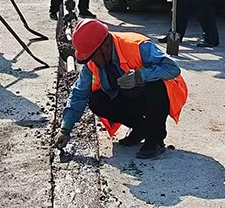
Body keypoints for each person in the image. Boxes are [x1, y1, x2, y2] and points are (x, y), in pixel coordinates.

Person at [53, 19, 188, 159]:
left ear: (105, 46)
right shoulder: (92, 63)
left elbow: (172, 68)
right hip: (130, 97)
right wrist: (65, 129)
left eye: (93, 56)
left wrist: (140, 76)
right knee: (97, 100)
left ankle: (155, 140)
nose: (91, 60)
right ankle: (141, 128)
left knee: (156, 86)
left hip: (158, 97)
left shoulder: (137, 46)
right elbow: (79, 93)